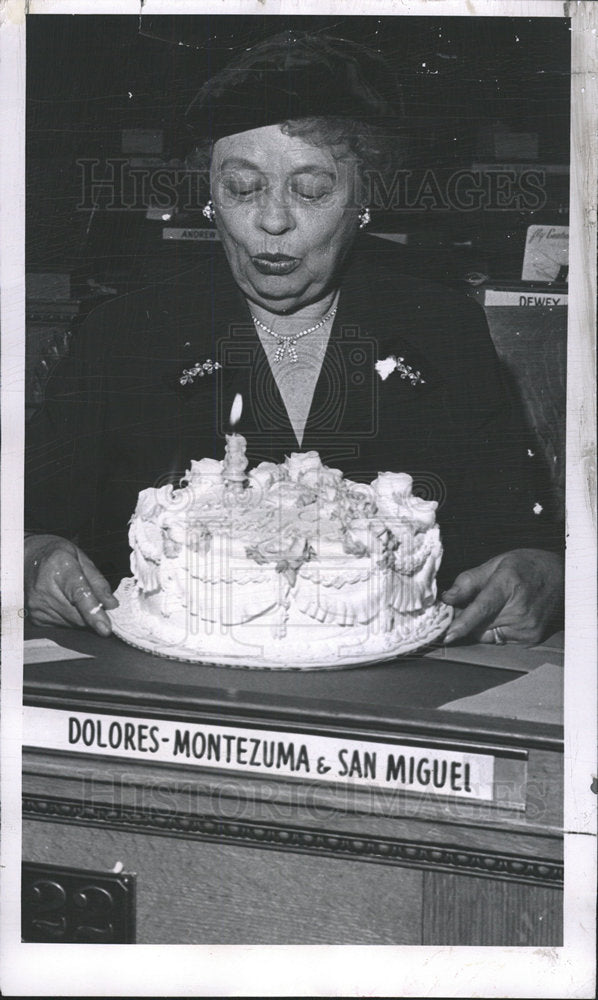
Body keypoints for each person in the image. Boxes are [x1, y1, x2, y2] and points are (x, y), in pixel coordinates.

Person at [24, 31, 563, 647]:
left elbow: (529, 539)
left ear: (363, 198)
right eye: (242, 187)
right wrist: (34, 558)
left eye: (311, 190)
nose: (273, 219)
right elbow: (24, 522)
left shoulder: (444, 330)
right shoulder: (123, 335)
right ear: (209, 196)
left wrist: (543, 575)